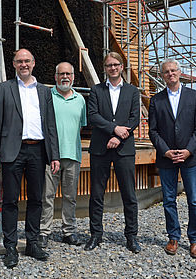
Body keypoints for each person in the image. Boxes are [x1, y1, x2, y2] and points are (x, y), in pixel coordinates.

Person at [0, 48, 60, 268]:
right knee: (10, 200)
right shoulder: (4, 89)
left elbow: (50, 125)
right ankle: (10, 246)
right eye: (19, 61)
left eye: (27, 61)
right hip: (13, 151)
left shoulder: (45, 91)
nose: (23, 64)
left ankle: (32, 242)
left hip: (38, 151)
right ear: (14, 64)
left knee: (36, 199)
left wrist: (54, 155)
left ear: (34, 63)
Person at [148, 58, 196, 258]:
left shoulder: (195, 96)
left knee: (194, 200)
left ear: (180, 73)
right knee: (169, 200)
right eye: (166, 72)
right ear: (162, 76)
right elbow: (153, 131)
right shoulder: (156, 100)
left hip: (190, 157)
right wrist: (165, 151)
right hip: (167, 158)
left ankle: (195, 240)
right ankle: (173, 237)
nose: (170, 74)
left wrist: (188, 150)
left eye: (173, 70)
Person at [85, 52, 141, 253]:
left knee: (129, 193)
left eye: (116, 64)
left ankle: (131, 236)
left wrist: (119, 136)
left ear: (122, 66)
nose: (113, 68)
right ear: (105, 68)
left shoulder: (133, 91)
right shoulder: (96, 90)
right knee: (97, 194)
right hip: (100, 149)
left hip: (124, 149)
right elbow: (93, 116)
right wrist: (113, 129)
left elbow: (135, 118)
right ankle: (95, 235)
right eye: (109, 65)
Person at [39, 62, 87, 248]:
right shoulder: (47, 97)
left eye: (68, 73)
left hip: (72, 155)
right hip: (50, 156)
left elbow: (80, 126)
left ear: (73, 76)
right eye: (61, 74)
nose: (65, 77)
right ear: (55, 76)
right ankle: (44, 231)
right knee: (47, 195)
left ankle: (69, 231)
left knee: (70, 196)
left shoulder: (80, 100)